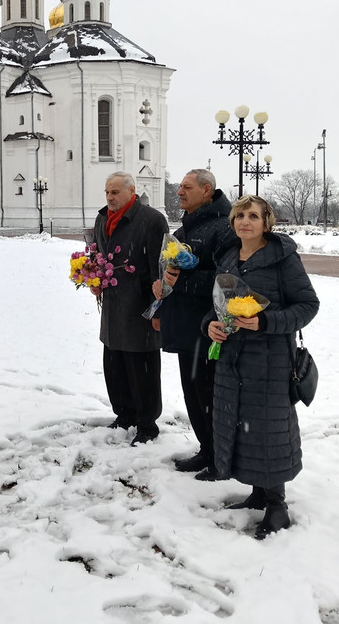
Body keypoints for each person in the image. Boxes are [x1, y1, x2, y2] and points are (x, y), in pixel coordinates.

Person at [205, 195, 319, 539]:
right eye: (239, 215)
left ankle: (277, 504)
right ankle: (257, 492)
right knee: (240, 425)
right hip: (231, 359)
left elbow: (308, 305)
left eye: (253, 216)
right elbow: (217, 305)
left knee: (269, 429)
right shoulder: (227, 257)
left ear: (265, 222)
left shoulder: (282, 258)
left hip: (269, 360)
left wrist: (266, 321)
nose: (245, 221)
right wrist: (209, 325)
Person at [152, 169, 232, 480]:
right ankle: (206, 449)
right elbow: (171, 271)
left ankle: (220, 458)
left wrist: (183, 280)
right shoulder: (186, 229)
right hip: (185, 326)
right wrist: (162, 285)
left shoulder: (224, 228)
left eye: (186, 187)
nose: (179, 192)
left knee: (209, 395)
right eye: (180, 187)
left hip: (208, 328)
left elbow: (228, 280)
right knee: (193, 393)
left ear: (207, 190)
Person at [93, 172, 168, 445]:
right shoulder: (102, 219)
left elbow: (158, 268)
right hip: (113, 308)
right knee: (115, 366)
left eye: (115, 192)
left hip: (140, 308)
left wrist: (157, 310)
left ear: (131, 191)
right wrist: (94, 278)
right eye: (107, 192)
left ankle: (147, 425)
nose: (110, 198)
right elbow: (98, 255)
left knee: (142, 369)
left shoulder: (151, 220)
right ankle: (124, 415)